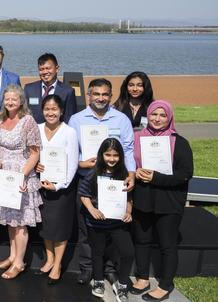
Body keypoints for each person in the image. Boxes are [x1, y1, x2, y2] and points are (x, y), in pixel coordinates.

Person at [68, 78, 136, 285]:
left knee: (113, 229)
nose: (100, 98)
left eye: (105, 94)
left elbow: (129, 148)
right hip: (87, 182)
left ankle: (108, 268)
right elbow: (71, 153)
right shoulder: (77, 119)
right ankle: (88, 268)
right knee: (86, 230)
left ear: (110, 95)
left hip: (115, 183)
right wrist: (82, 163)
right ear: (88, 95)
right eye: (96, 94)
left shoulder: (121, 119)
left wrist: (131, 173)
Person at [131, 100, 194, 301]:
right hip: (143, 198)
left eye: (162, 115)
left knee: (167, 244)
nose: (157, 119)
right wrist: (135, 171)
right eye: (153, 114)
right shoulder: (136, 138)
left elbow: (185, 174)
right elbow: (127, 162)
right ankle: (142, 277)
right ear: (147, 115)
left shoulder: (179, 142)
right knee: (142, 240)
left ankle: (166, 284)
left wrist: (156, 177)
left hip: (168, 201)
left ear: (169, 117)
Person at [0, 84, 42, 279]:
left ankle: (20, 262)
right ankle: (12, 255)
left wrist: (23, 175)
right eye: (7, 99)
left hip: (21, 176)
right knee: (10, 220)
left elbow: (35, 153)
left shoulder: (27, 121)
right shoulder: (0, 120)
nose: (10, 102)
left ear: (21, 101)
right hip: (5, 177)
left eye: (14, 99)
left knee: (21, 222)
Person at [79, 138, 134, 302]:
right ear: (101, 155)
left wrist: (129, 212)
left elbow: (129, 198)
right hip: (96, 223)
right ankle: (98, 281)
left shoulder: (124, 174)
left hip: (117, 223)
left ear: (120, 156)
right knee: (98, 252)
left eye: (115, 155)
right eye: (108, 154)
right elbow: (83, 194)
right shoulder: (93, 173)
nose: (111, 158)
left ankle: (122, 285)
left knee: (128, 253)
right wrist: (92, 209)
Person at [34, 94, 79, 284]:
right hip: (41, 185)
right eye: (47, 109)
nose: (50, 113)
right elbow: (32, 153)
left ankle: (58, 263)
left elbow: (73, 163)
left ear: (61, 111)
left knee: (60, 228)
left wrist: (59, 185)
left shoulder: (69, 132)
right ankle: (49, 258)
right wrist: (35, 165)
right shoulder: (36, 129)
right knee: (45, 226)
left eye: (54, 109)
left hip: (62, 189)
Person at [24, 53, 77, 123]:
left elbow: (70, 118)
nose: (45, 72)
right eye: (41, 69)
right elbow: (23, 114)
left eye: (48, 68)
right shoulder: (29, 89)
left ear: (57, 69)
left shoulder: (68, 92)